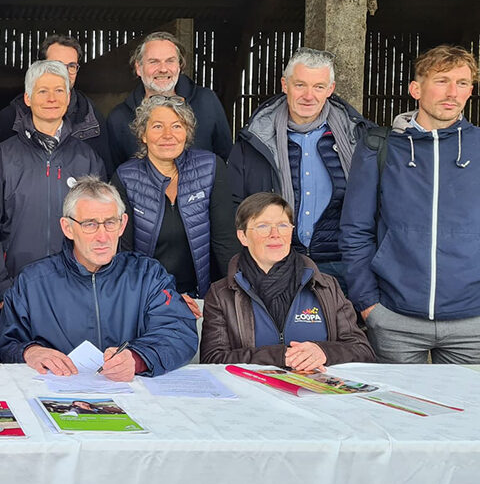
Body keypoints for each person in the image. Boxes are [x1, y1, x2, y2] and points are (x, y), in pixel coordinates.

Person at [341, 45, 480, 364]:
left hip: (472, 321)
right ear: (416, 89)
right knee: (393, 412)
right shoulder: (380, 146)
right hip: (394, 319)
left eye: (462, 83)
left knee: (465, 414)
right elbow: (355, 229)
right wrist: (368, 304)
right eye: (442, 80)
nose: (452, 92)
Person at [0, 176, 197, 380]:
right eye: (90, 225)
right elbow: (6, 343)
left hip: (133, 397)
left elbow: (179, 333)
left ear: (122, 224)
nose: (102, 237)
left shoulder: (147, 275)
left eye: (110, 223)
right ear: (68, 228)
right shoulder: (32, 283)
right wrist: (30, 352)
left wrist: (137, 358)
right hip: (57, 398)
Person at [229, 47, 371, 293]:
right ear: (285, 85)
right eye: (300, 85)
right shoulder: (254, 142)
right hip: (275, 263)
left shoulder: (358, 139)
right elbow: (236, 206)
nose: (309, 95)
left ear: (330, 89)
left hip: (342, 265)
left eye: (318, 87)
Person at [0, 60, 108, 303]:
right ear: (27, 98)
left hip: (77, 289)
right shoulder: (2, 158)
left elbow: (101, 226)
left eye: (59, 90)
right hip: (18, 289)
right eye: (42, 91)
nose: (52, 98)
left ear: (69, 97)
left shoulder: (87, 158)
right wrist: (3, 288)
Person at [201, 193, 374, 369]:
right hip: (253, 392)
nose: (275, 234)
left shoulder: (326, 286)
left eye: (283, 225)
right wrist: (281, 356)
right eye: (263, 226)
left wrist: (324, 352)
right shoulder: (221, 294)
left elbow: (362, 351)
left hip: (316, 393)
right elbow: (212, 359)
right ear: (243, 236)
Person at [113, 95, 239, 306]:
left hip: (203, 297)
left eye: (177, 126)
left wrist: (234, 295)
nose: (168, 135)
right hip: (148, 299)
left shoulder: (210, 168)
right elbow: (123, 254)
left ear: (187, 132)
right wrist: (159, 298)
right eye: (157, 127)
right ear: (143, 134)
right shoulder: (126, 178)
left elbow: (225, 241)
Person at [107, 31, 232, 166]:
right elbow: (114, 174)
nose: (163, 69)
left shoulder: (207, 101)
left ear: (180, 65)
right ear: (138, 67)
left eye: (170, 61)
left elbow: (226, 157)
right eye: (154, 62)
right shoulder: (119, 117)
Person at [0, 34, 112, 170]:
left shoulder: (92, 118)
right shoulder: (11, 117)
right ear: (40, 65)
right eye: (57, 65)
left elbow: (103, 176)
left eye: (71, 66)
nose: (65, 72)